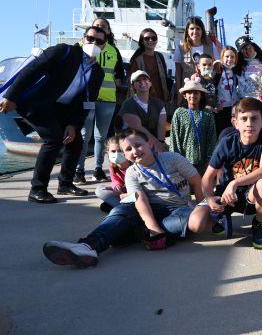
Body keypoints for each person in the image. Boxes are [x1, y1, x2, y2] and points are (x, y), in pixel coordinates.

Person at [42, 129, 209, 268]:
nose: (135, 151)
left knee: (191, 223)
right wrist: (152, 228)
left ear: (149, 144)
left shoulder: (172, 159)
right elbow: (140, 199)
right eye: (128, 149)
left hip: (177, 208)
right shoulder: (131, 172)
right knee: (120, 210)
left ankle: (131, 233)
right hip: (146, 210)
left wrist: (203, 206)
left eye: (138, 145)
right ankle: (87, 247)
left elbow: (197, 182)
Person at [0, 27, 105, 203]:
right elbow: (32, 71)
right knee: (54, 139)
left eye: (99, 41)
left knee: (76, 140)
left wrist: (73, 125)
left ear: (104, 46)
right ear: (83, 38)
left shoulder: (97, 73)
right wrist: (11, 96)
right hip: (37, 104)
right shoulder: (64, 51)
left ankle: (65, 184)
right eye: (90, 38)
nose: (94, 43)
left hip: (61, 109)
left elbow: (85, 102)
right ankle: (37, 189)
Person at [195, 98, 262, 248]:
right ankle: (221, 216)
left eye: (254, 118)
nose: (249, 123)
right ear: (235, 123)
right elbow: (207, 177)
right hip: (227, 197)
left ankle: (259, 224)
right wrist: (210, 198)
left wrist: (235, 183)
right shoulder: (226, 142)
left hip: (251, 195)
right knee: (196, 223)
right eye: (244, 119)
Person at [74, 18, 125, 184]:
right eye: (96, 26)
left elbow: (118, 77)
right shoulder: (79, 47)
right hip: (86, 97)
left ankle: (97, 169)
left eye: (103, 27)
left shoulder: (113, 51)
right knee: (84, 135)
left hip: (107, 98)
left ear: (108, 32)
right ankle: (79, 170)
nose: (99, 28)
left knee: (101, 137)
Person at [170, 79, 217, 176]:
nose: (193, 96)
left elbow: (212, 137)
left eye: (196, 93)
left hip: (203, 161)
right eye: (189, 93)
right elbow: (174, 138)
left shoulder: (207, 114)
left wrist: (209, 159)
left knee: (201, 188)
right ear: (184, 95)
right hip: (184, 161)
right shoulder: (179, 113)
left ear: (201, 95)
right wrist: (176, 160)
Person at [118, 70, 167, 152]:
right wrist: (157, 144)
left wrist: (161, 143)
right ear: (133, 86)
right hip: (131, 146)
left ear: (150, 83)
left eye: (145, 79)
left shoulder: (159, 103)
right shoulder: (128, 104)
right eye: (138, 80)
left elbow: (161, 126)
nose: (142, 82)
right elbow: (138, 128)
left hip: (153, 145)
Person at [174, 16, 220, 104]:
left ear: (202, 31)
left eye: (198, 28)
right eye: (192, 28)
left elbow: (216, 68)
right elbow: (178, 73)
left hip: (207, 93)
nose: (195, 31)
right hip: (188, 93)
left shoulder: (211, 46)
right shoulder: (180, 48)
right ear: (187, 31)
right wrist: (179, 94)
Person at [128, 28, 171, 103]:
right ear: (142, 41)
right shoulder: (137, 60)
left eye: (153, 38)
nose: (150, 40)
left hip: (160, 99)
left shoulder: (159, 56)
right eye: (147, 38)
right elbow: (132, 83)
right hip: (143, 100)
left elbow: (165, 78)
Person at [95, 135, 131, 213]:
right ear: (108, 153)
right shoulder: (113, 165)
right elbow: (115, 179)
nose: (117, 154)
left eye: (120, 151)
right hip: (123, 192)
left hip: (135, 192)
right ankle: (122, 207)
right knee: (100, 189)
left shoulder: (134, 166)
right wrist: (117, 186)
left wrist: (128, 193)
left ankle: (123, 207)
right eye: (113, 151)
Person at [214, 46, 240, 132]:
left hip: (233, 108)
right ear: (222, 58)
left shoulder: (236, 71)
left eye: (232, 57)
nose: (230, 59)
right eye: (227, 56)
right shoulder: (218, 71)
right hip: (221, 108)